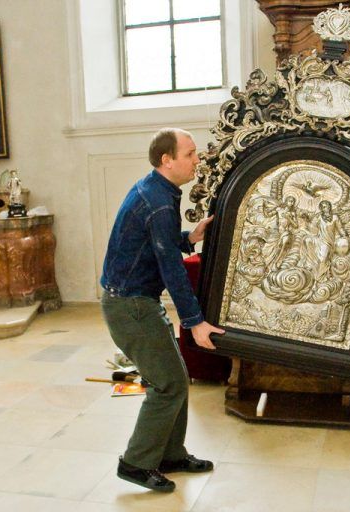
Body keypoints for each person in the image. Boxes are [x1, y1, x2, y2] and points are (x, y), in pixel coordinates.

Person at [100, 128, 224, 493]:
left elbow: (159, 244)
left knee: (176, 378)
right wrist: (195, 322)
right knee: (168, 384)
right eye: (189, 154)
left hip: (135, 299)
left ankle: (170, 454)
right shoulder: (157, 201)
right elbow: (170, 268)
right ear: (166, 160)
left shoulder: (158, 192)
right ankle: (136, 463)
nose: (196, 160)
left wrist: (190, 236)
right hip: (130, 305)